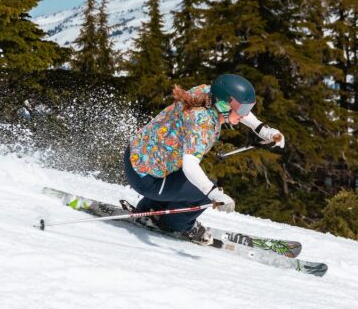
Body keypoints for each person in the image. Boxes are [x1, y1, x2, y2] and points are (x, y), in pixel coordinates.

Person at [122, 74, 285, 243]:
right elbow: (189, 165)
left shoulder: (207, 93)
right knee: (204, 191)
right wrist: (213, 193)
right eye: (243, 110)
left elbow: (239, 112)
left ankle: (150, 209)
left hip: (138, 159)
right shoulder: (201, 123)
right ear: (223, 105)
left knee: (194, 183)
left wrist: (262, 129)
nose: (245, 114)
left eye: (248, 108)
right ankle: (175, 225)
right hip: (146, 178)